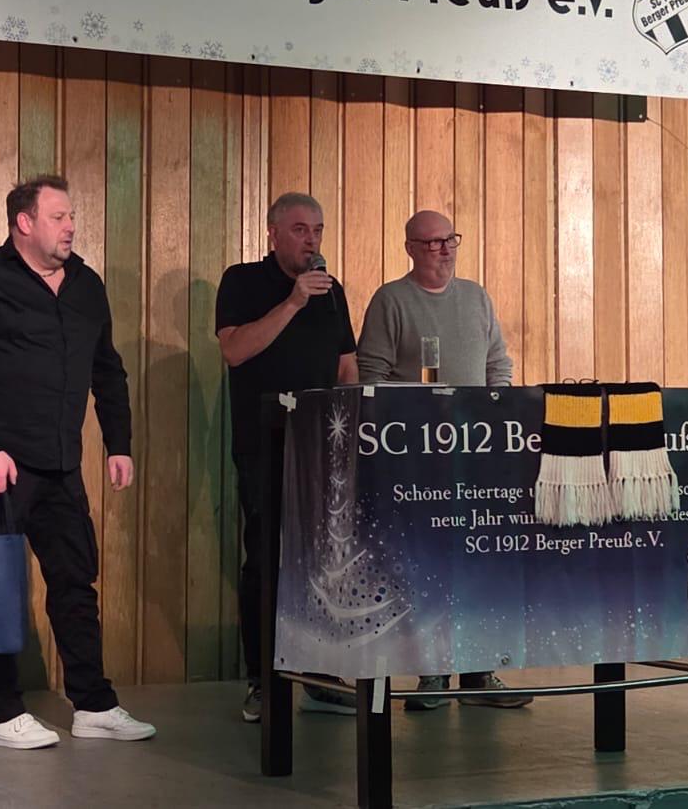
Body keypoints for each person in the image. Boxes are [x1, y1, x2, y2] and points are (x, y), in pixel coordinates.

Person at [0, 175, 155, 748]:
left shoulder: (85, 284)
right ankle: (3, 712)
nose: (71, 227)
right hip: (1, 466)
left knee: (75, 582)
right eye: (59, 217)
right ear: (25, 222)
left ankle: (94, 704)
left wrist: (118, 443)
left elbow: (106, 368)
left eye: (72, 216)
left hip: (61, 462)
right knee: (1, 585)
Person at [356, 209, 531, 710]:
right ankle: (431, 674)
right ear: (410, 248)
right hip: (418, 458)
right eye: (432, 242)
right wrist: (413, 415)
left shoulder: (476, 297)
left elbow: (498, 362)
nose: (444, 249)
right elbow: (372, 376)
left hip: (476, 454)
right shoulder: (391, 300)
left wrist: (496, 409)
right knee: (425, 564)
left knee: (478, 561)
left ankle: (479, 672)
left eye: (450, 239)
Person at [216, 192, 360, 723]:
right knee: (267, 560)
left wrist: (354, 428)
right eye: (300, 230)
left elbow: (346, 366)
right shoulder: (242, 282)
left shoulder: (331, 290)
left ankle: (319, 675)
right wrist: (294, 302)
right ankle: (263, 679)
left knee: (325, 561)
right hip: (266, 444)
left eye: (317, 230)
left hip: (324, 443)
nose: (311, 240)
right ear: (273, 233)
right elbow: (235, 351)